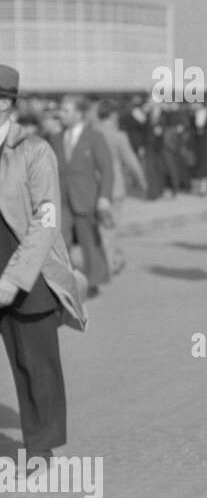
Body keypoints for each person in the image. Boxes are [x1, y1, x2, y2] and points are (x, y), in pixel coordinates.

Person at [0, 65, 87, 470]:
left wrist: (14, 279)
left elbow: (47, 220)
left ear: (8, 104)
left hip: (27, 273)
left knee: (36, 363)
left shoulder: (33, 150)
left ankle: (40, 446)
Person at [56, 96, 114, 298]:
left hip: (85, 198)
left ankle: (93, 281)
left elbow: (107, 169)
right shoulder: (55, 138)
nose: (60, 114)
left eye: (65, 111)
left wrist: (104, 197)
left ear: (78, 114)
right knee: (59, 241)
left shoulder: (94, 137)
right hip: (61, 199)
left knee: (89, 242)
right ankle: (63, 283)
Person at [93, 100, 145, 276]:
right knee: (110, 227)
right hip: (114, 187)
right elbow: (130, 160)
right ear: (113, 115)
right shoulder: (118, 136)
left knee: (100, 226)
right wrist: (141, 179)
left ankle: (108, 259)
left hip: (94, 186)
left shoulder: (91, 133)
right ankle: (108, 263)